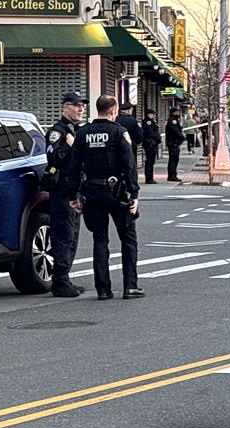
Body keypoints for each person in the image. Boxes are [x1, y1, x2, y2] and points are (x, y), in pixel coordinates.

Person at [68, 94, 144, 301]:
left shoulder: (83, 133)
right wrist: (134, 193)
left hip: (91, 193)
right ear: (114, 110)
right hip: (117, 192)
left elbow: (73, 167)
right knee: (128, 238)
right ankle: (130, 286)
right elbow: (129, 165)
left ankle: (103, 289)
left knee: (99, 239)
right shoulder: (119, 132)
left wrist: (73, 195)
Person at [43, 91, 88, 297]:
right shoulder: (58, 132)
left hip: (75, 190)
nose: (81, 109)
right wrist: (70, 146)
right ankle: (59, 281)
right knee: (63, 235)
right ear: (65, 107)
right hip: (62, 191)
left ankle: (65, 277)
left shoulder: (76, 131)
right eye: (76, 105)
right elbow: (55, 159)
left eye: (83, 106)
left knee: (73, 236)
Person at [141, 108, 161, 184]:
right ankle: (149, 178)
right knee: (149, 161)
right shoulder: (148, 122)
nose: (153, 115)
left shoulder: (152, 122)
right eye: (152, 114)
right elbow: (150, 133)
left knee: (151, 161)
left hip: (152, 143)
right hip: (150, 144)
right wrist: (157, 138)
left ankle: (150, 177)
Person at [165, 107, 185, 181]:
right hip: (173, 143)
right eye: (177, 112)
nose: (178, 113)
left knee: (173, 159)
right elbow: (175, 132)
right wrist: (182, 137)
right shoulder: (173, 121)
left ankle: (171, 175)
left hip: (173, 142)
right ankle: (172, 175)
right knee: (174, 159)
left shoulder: (173, 120)